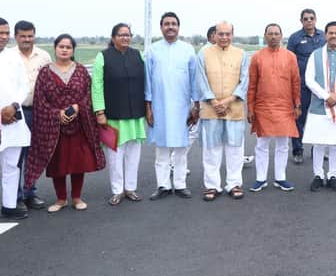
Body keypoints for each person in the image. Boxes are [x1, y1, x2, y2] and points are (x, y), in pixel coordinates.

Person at [24, 34, 106, 213]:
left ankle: (76, 197)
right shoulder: (45, 72)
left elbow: (88, 95)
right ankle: (61, 199)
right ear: (55, 48)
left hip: (79, 125)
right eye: (61, 46)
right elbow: (40, 100)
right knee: (58, 163)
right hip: (54, 127)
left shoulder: (81, 71)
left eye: (68, 47)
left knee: (78, 163)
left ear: (73, 50)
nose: (64, 50)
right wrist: (57, 114)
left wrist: (77, 107)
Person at [145, 12, 199, 200]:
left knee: (181, 149)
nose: (170, 27)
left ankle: (180, 184)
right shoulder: (152, 50)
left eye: (173, 23)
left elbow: (194, 79)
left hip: (182, 107)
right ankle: (163, 186)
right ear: (161, 27)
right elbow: (148, 82)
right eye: (166, 23)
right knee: (161, 150)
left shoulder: (188, 50)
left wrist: (196, 106)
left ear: (178, 27)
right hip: (159, 106)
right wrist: (148, 107)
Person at [91, 23, 146, 206]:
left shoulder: (138, 55)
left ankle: (130, 188)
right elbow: (96, 86)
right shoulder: (103, 56)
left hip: (135, 115)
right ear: (113, 37)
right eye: (121, 35)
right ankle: (117, 191)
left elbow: (146, 82)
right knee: (115, 156)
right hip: (113, 116)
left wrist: (148, 107)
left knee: (134, 155)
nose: (125, 38)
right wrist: (99, 111)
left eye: (128, 34)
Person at [196, 21, 249, 201]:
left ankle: (234, 184)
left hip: (234, 108)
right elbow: (201, 80)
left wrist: (227, 101)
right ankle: (212, 185)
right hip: (210, 108)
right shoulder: (204, 53)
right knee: (212, 148)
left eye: (227, 34)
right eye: (221, 34)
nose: (224, 37)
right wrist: (214, 101)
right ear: (215, 35)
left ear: (232, 35)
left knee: (235, 148)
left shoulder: (241, 54)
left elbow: (244, 81)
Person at [303, 21, 336, 191]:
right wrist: (327, 96)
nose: (334, 35)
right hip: (320, 105)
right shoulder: (315, 55)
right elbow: (309, 80)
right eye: (331, 33)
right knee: (319, 142)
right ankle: (318, 175)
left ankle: (332, 175)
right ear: (325, 35)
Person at [247, 23, 301, 192]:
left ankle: (280, 178)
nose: (273, 37)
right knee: (262, 144)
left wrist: (297, 104)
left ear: (281, 36)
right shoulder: (257, 57)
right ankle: (260, 178)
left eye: (276, 34)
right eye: (270, 34)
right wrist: (250, 108)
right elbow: (252, 85)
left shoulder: (290, 57)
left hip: (285, 106)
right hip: (263, 106)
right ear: (265, 36)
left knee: (283, 144)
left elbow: (296, 82)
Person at [12, 20, 51, 210]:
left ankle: (30, 193)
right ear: (16, 37)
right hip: (15, 113)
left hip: (38, 112)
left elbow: (50, 82)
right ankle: (15, 196)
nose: (27, 39)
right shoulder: (8, 57)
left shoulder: (43, 56)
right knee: (15, 156)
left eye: (30, 36)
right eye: (23, 36)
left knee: (34, 155)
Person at [0, 17, 31, 220]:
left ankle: (9, 205)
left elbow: (24, 85)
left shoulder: (13, 57)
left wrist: (13, 106)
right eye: (0, 33)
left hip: (12, 119)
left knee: (11, 165)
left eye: (6, 33)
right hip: (3, 117)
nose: (4, 37)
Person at [287, 8, 326, 164]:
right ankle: (298, 150)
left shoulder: (323, 36)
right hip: (301, 84)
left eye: (311, 18)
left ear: (315, 19)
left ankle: (318, 150)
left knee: (320, 118)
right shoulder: (295, 38)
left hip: (320, 86)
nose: (309, 21)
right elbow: (289, 61)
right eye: (305, 19)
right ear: (301, 21)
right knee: (299, 118)